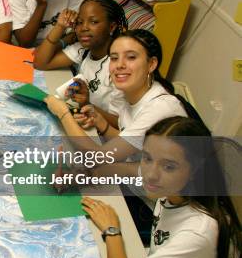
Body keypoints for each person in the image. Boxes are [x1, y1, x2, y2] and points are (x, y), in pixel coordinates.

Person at [82, 117, 240, 258]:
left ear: (195, 170)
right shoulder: (173, 187)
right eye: (147, 158)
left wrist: (111, 230)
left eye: (169, 166)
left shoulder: (198, 233)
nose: (150, 174)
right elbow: (121, 169)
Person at [43, 30, 192, 164]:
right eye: (114, 58)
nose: (119, 65)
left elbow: (98, 158)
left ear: (151, 64)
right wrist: (101, 123)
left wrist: (62, 113)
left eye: (131, 57)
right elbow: (128, 139)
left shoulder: (160, 109)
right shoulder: (128, 91)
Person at [34, 0, 127, 116]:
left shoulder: (119, 67)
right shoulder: (83, 49)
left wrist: (87, 104)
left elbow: (119, 123)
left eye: (93, 22)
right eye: (79, 22)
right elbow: (41, 62)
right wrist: (60, 27)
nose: (84, 28)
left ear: (111, 27)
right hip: (83, 113)